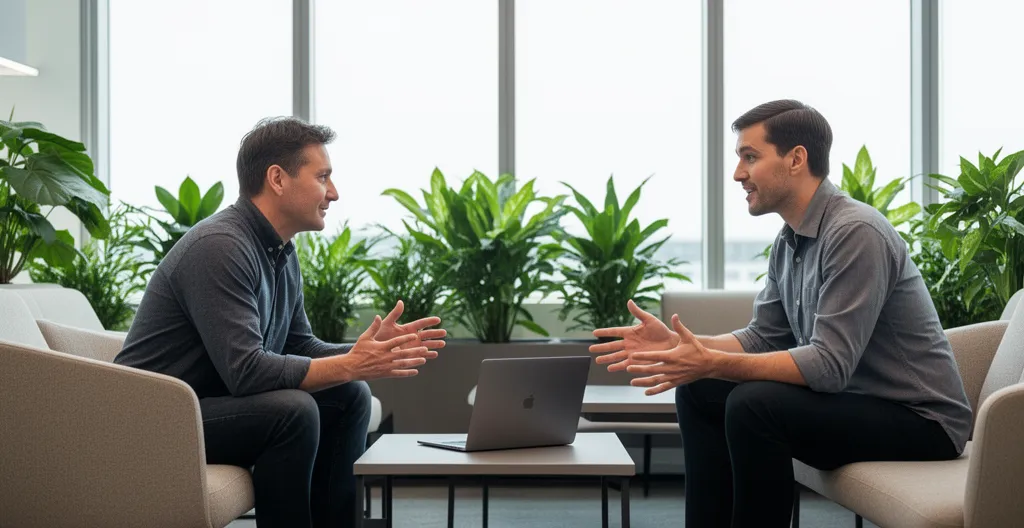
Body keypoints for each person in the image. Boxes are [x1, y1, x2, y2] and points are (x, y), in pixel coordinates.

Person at [589, 100, 971, 528]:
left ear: (796, 159)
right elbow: (763, 336)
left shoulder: (855, 232)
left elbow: (829, 366)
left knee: (755, 405)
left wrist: (714, 361)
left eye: (750, 157)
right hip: (858, 403)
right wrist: (684, 347)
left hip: (922, 421)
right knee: (700, 390)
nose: (738, 173)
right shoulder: (789, 240)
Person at [115, 117, 446, 527]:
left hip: (206, 406)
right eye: (322, 177)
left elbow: (299, 345)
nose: (334, 193)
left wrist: (366, 353)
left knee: (350, 394)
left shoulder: (280, 252)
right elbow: (247, 372)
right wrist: (350, 363)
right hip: (152, 418)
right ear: (277, 179)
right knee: (293, 410)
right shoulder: (219, 247)